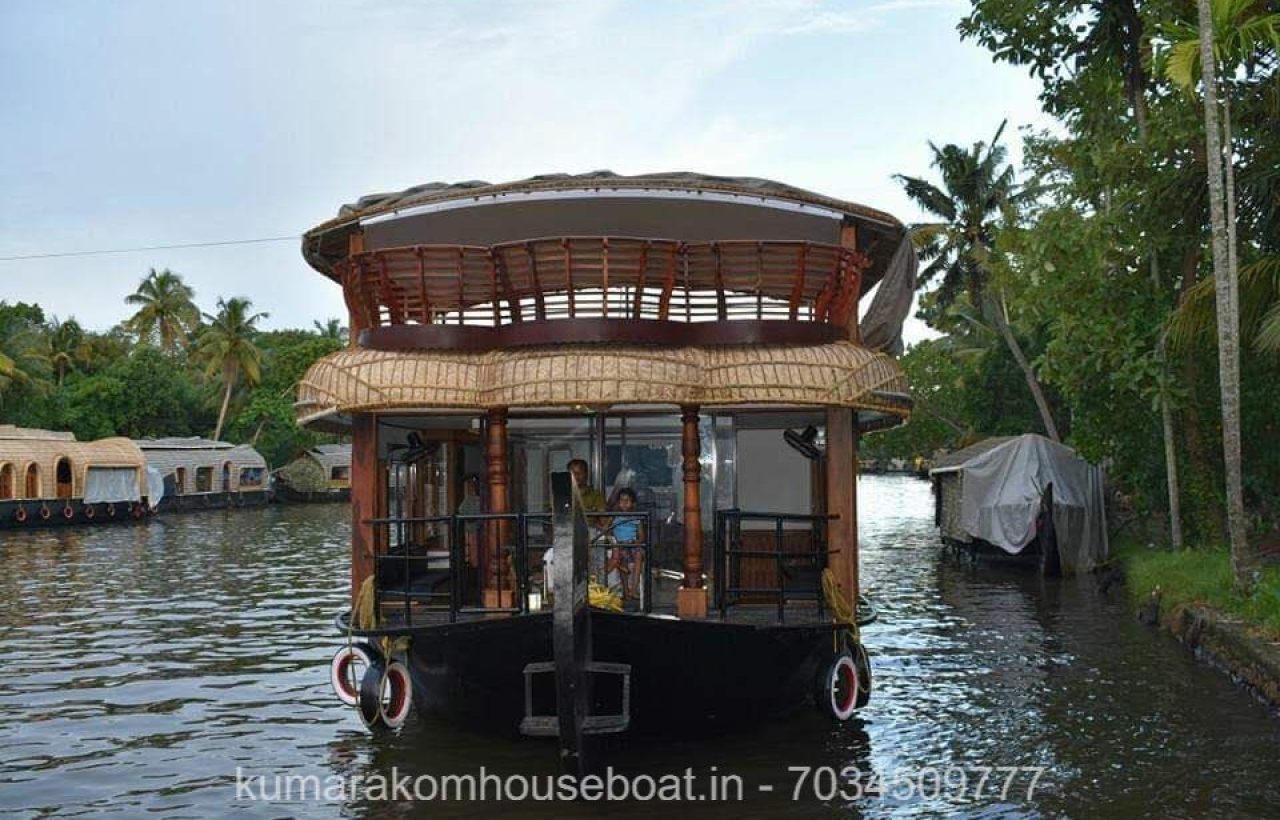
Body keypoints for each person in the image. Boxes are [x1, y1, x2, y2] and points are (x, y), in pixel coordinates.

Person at [605, 488, 646, 601]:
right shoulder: (614, 516)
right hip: (618, 546)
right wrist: (614, 542)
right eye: (621, 500)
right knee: (622, 561)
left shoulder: (636, 517)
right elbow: (606, 530)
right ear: (618, 502)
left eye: (627, 501)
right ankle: (626, 592)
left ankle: (633, 589)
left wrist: (635, 542)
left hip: (632, 545)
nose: (624, 503)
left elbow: (641, 536)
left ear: (633, 503)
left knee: (639, 554)